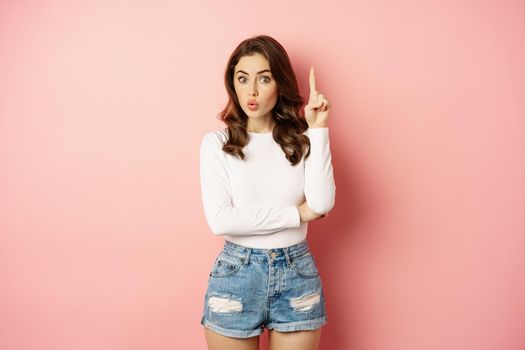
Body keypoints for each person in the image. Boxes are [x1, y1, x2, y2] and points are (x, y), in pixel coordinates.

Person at [199, 34, 336, 350]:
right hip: (236, 275)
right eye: (243, 78)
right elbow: (221, 221)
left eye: (264, 78)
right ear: (232, 84)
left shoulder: (301, 140)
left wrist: (318, 129)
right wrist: (295, 214)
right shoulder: (217, 145)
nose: (252, 91)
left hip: (296, 273)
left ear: (280, 83)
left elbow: (323, 203)